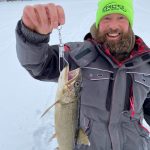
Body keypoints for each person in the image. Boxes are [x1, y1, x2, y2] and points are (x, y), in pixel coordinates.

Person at [15, 0, 150, 149]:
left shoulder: (146, 63)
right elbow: (40, 65)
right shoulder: (78, 55)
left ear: (130, 22)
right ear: (98, 22)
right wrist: (33, 37)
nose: (113, 26)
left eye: (121, 17)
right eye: (106, 18)